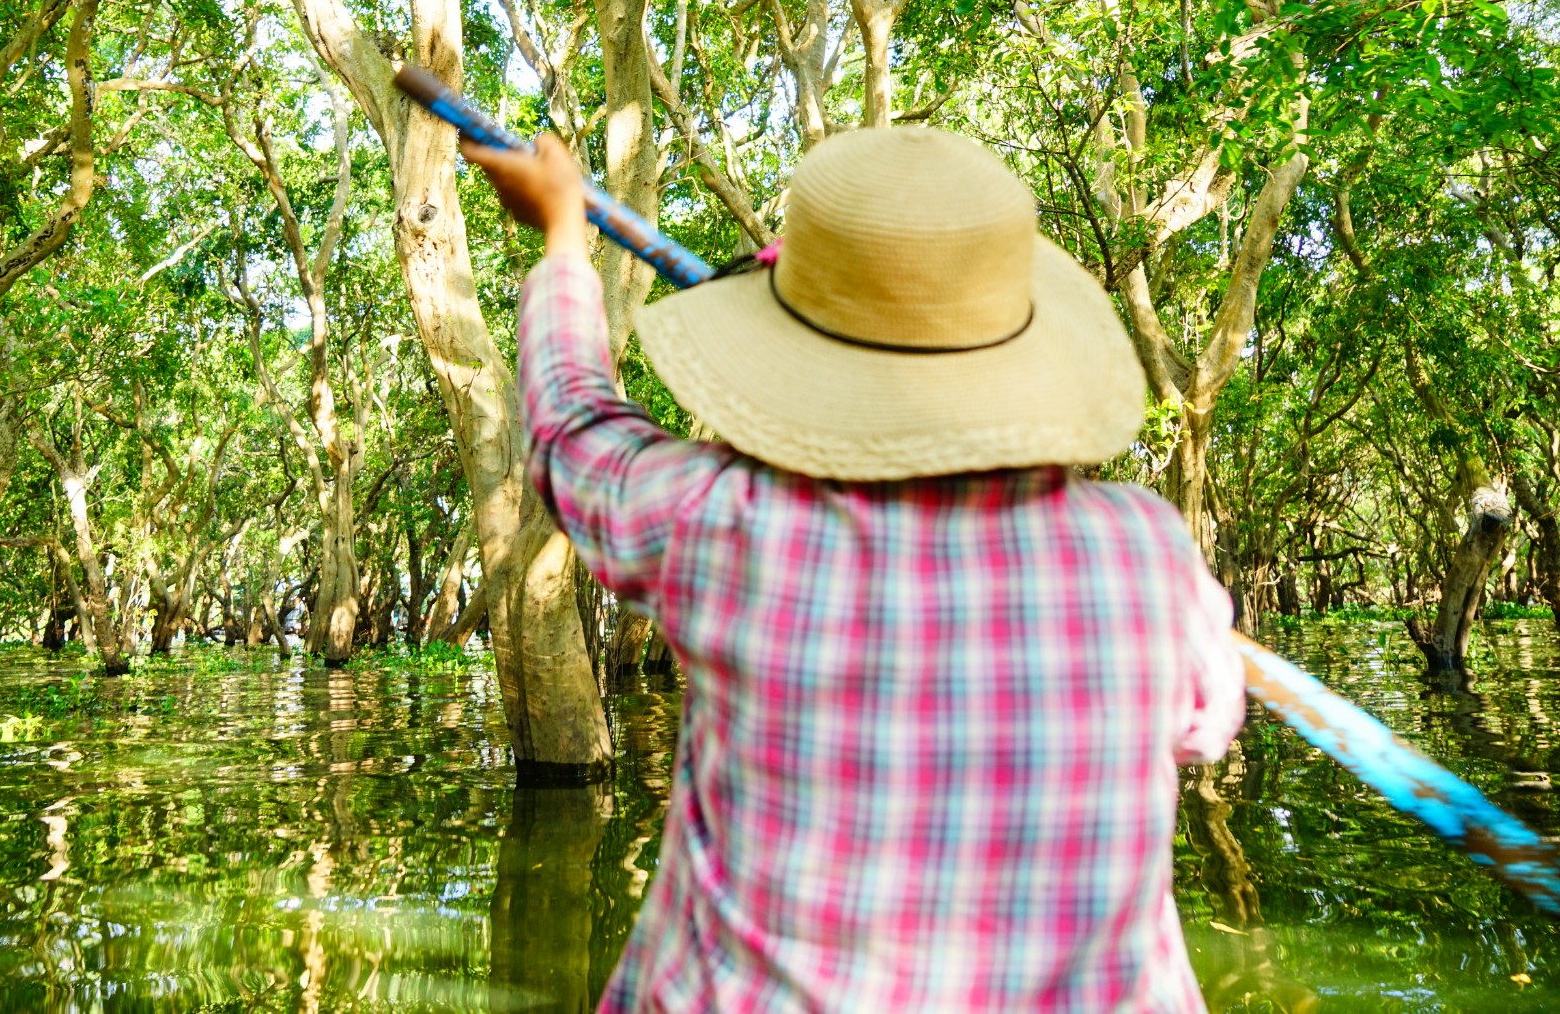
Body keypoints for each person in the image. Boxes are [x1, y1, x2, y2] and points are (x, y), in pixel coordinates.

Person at [462, 124, 1247, 1014]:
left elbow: (576, 437)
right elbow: (1206, 723)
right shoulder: (1145, 547)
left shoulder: (727, 521)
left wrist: (566, 236)